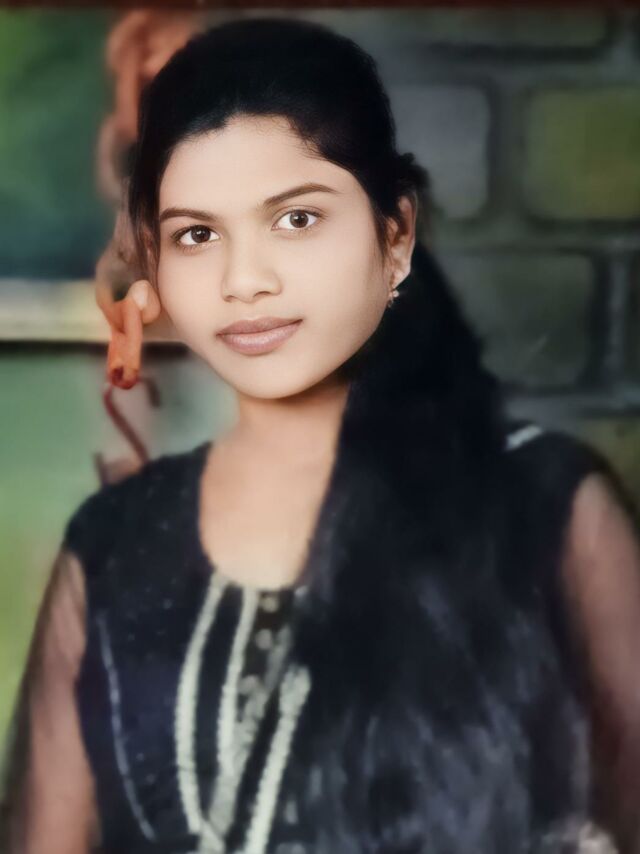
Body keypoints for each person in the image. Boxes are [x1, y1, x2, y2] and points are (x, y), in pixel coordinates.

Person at [3, 16, 640, 854]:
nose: (245, 280)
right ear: (154, 259)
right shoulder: (113, 549)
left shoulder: (547, 509)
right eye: (198, 234)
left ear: (394, 234)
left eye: (296, 219)